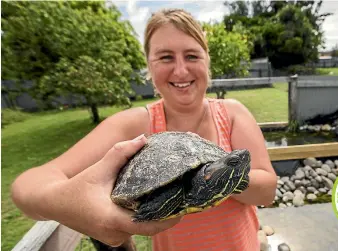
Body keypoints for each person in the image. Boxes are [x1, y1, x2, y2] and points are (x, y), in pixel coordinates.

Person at [11, 8, 277, 251]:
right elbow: (25, 187)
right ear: (149, 67)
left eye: (192, 55)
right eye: (165, 57)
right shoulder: (135, 126)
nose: (181, 69)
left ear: (208, 61)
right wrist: (71, 204)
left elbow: (267, 191)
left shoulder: (231, 114)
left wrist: (208, 179)